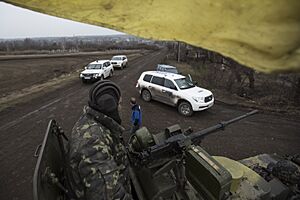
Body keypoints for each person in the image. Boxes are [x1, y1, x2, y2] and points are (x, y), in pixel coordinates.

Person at [67, 80, 132, 200]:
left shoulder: (91, 120)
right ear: (110, 106)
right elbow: (110, 195)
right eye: (120, 103)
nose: (121, 108)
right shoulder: (92, 143)